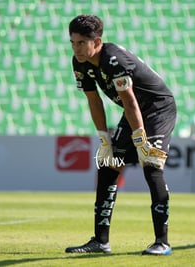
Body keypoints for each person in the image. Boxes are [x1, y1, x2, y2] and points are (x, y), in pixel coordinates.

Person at [65, 14, 177, 256]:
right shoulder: (79, 63)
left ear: (97, 42)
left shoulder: (113, 61)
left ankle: (162, 242)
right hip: (133, 111)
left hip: (157, 108)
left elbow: (130, 101)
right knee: (108, 165)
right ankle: (100, 241)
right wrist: (104, 139)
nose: (76, 48)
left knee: (151, 163)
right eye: (73, 42)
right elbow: (94, 101)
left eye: (82, 43)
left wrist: (140, 140)